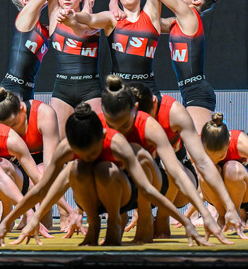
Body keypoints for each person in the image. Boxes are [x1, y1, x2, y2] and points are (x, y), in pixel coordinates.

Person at [0, 104, 209, 248]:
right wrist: (19, 220)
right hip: (90, 194)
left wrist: (186, 221)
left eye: (91, 152)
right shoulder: (67, 149)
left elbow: (149, 189)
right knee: (75, 170)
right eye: (82, 153)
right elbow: (42, 189)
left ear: (101, 139)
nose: (88, 156)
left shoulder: (117, 143)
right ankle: (93, 225)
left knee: (115, 167)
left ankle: (116, 222)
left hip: (125, 192)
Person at [99, 75, 232, 244]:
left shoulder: (164, 117)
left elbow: (193, 166)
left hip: (174, 183)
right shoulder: (106, 121)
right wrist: (81, 213)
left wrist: (224, 209)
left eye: (126, 124)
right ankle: (117, 222)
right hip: (140, 181)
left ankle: (159, 219)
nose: (126, 127)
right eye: (120, 124)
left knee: (149, 160)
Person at [110, 0, 219, 132]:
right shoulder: (178, 22)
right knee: (193, 148)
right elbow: (148, 25)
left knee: (199, 151)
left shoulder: (188, 13)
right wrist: (118, 6)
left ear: (197, 1)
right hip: (189, 90)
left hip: (197, 91)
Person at [127, 82, 247, 239]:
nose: (145, 123)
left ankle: (162, 218)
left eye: (148, 117)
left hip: (179, 184)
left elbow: (203, 163)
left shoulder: (174, 112)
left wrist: (229, 207)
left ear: (154, 103)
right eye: (138, 119)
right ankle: (140, 215)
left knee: (168, 163)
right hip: (142, 180)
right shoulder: (123, 115)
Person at [0, 87, 82, 234]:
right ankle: (6, 215)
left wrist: (66, 211)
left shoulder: (44, 113)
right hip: (17, 166)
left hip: (40, 163)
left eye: (12, 125)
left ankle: (51, 213)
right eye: (4, 128)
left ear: (22, 109)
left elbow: (52, 166)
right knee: (0, 168)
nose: (9, 132)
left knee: (41, 176)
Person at [46, 0, 104, 139]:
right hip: (62, 89)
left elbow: (81, 30)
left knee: (95, 141)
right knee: (60, 145)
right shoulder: (54, 16)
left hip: (90, 89)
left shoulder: (91, 19)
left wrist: (87, 7)